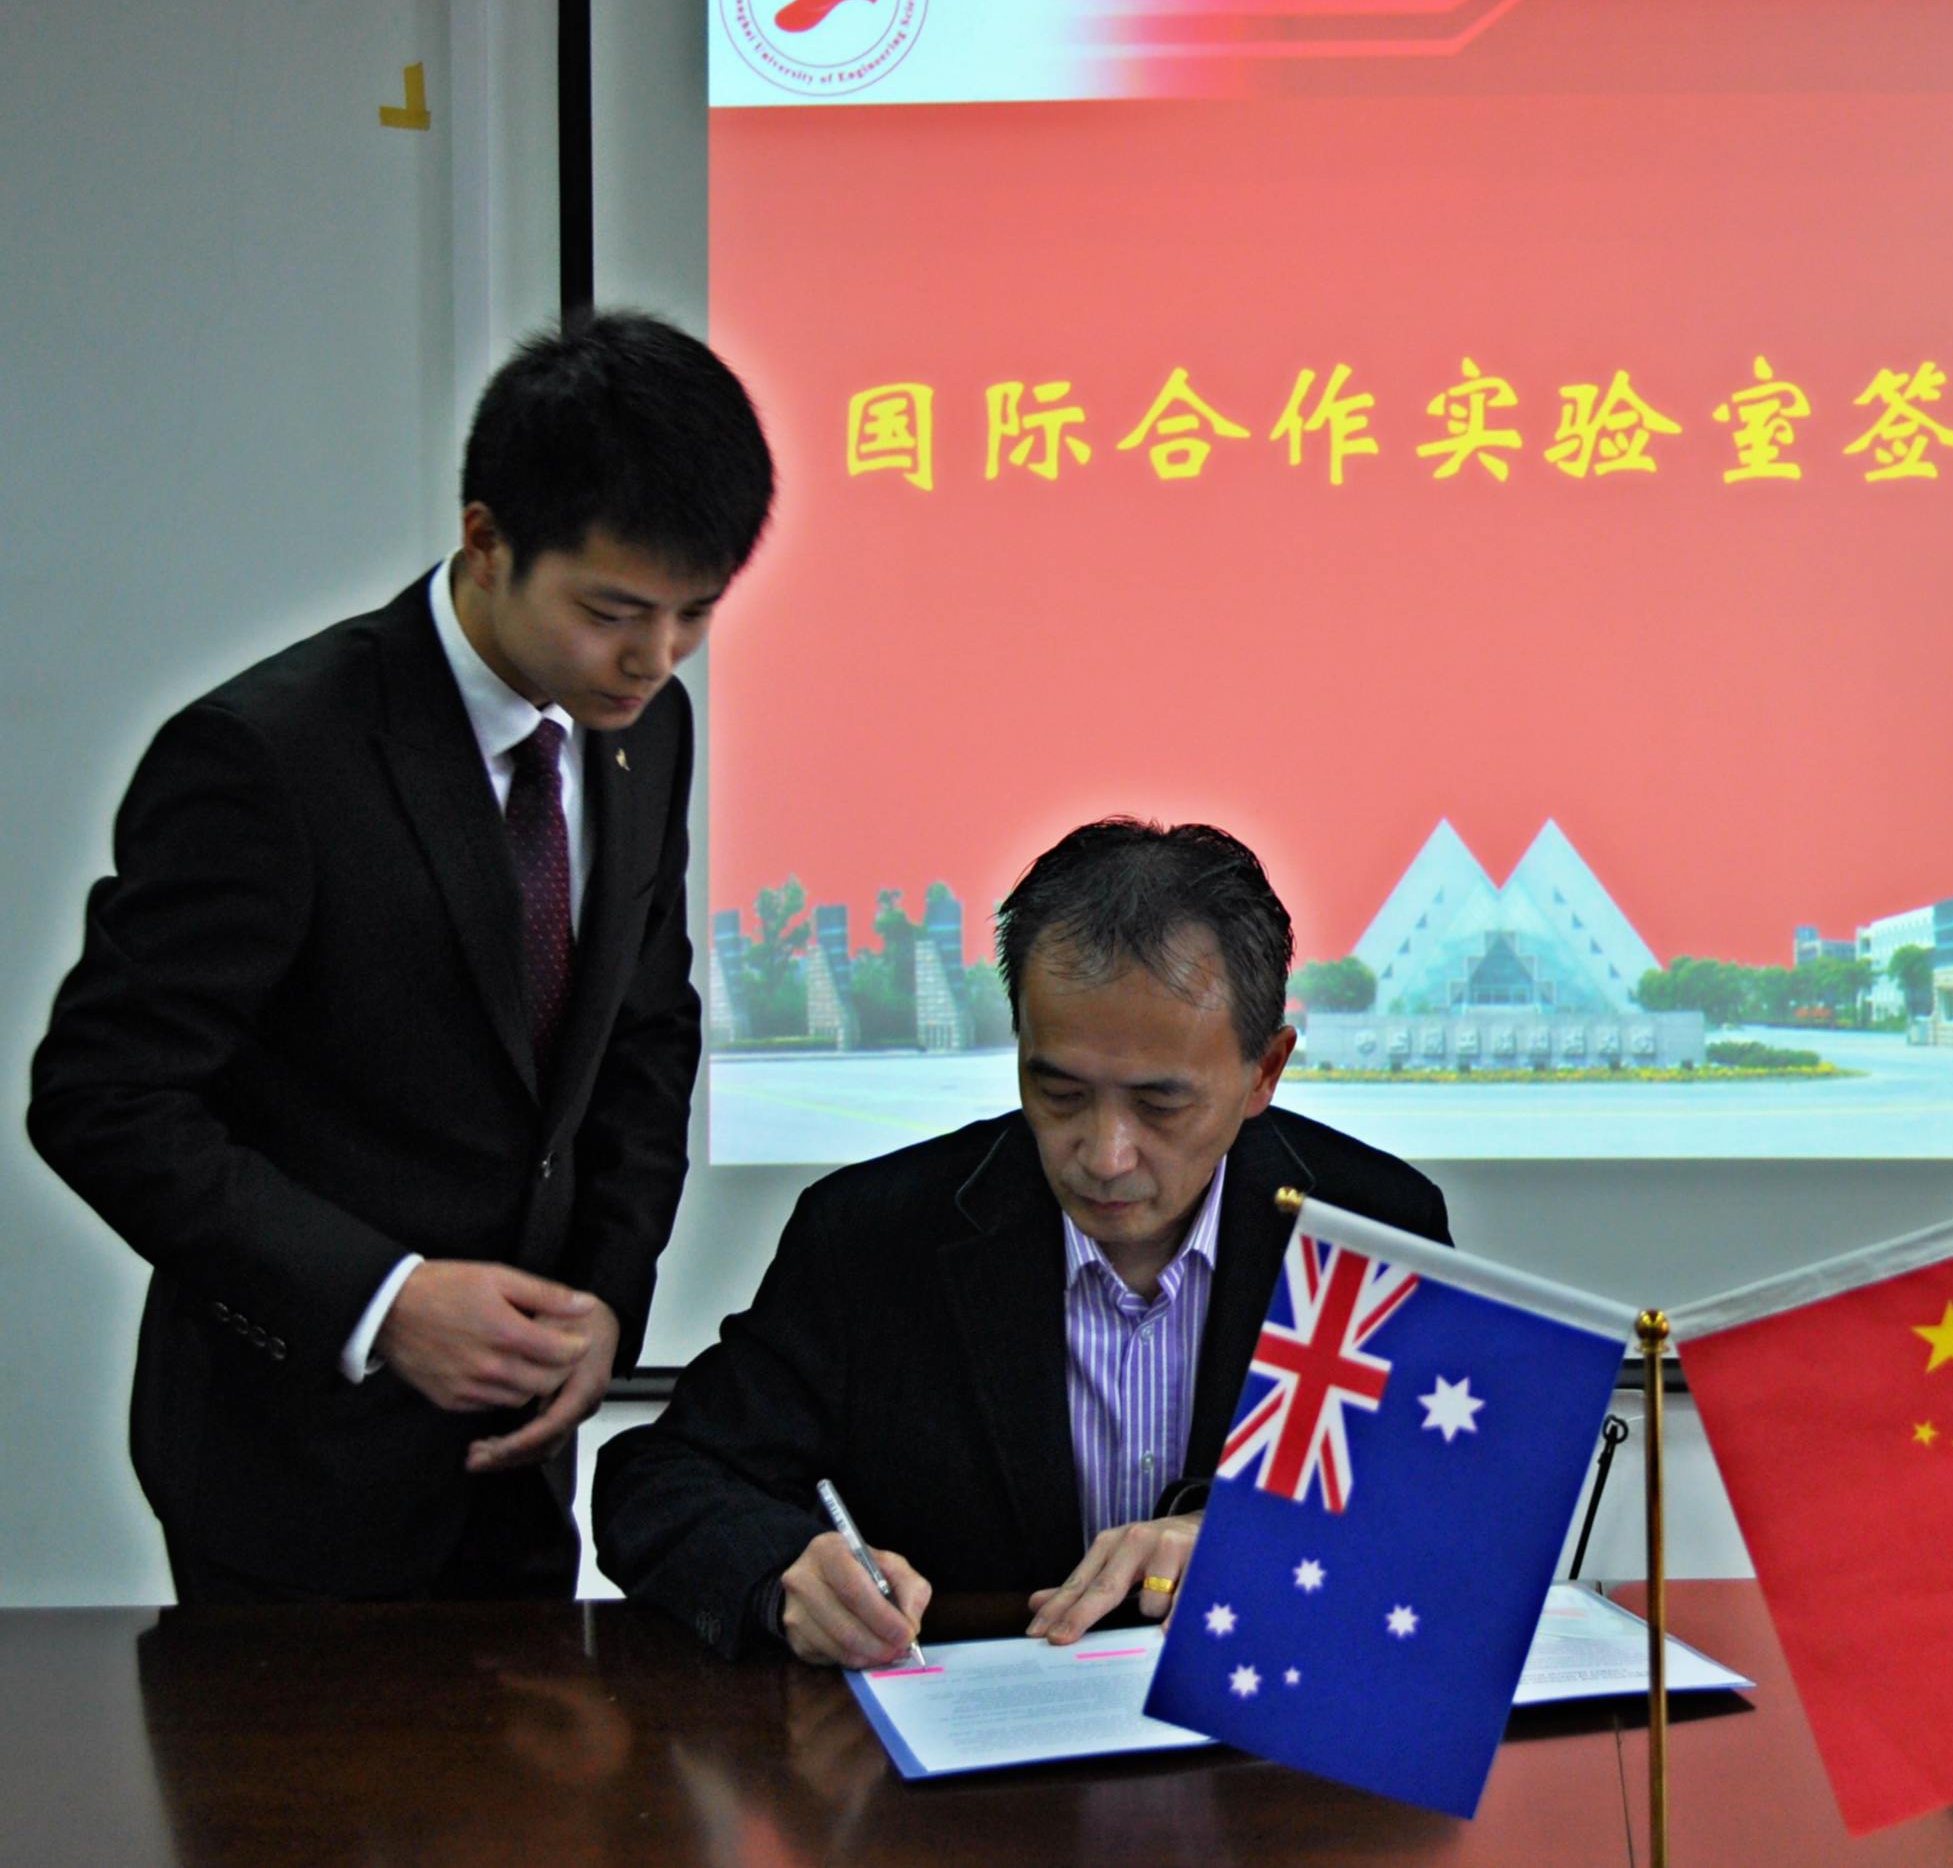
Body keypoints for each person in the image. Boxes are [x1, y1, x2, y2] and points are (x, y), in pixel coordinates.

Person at [27, 311, 776, 1602]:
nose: (655, 659)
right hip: (293, 1467)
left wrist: (605, 1301)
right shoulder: (268, 757)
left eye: (695, 615)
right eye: (611, 611)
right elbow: (103, 1096)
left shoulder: (642, 731)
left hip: (520, 1451)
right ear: (485, 540)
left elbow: (646, 1031)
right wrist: (383, 1300)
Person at [594, 819, 1450, 1668]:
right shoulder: (872, 1236)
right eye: (1060, 1092)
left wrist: (1256, 1541)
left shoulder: (1373, 1229)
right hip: (962, 1738)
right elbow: (657, 1478)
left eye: (1160, 1103)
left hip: (1255, 1732)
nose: (1104, 1155)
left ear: (1265, 1070)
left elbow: (1453, 1513)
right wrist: (783, 1571)